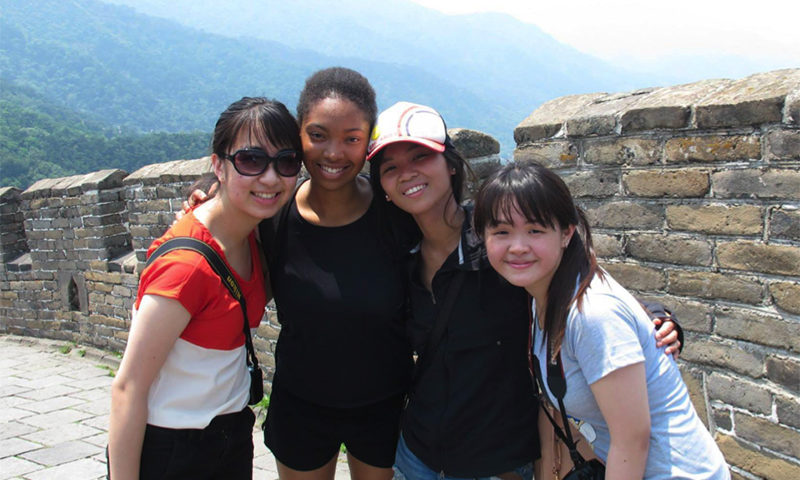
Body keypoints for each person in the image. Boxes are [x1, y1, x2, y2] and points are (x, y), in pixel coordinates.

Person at [367, 101, 683, 480]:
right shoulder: (399, 255)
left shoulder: (498, 242)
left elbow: (575, 285)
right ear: (382, 186)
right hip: (416, 453)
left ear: (450, 164)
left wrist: (656, 317)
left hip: (496, 463)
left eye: (421, 157)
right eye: (391, 168)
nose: (407, 174)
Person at [472, 162, 729, 479]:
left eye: (535, 230)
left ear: (566, 232)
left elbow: (632, 439)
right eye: (501, 232)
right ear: (483, 238)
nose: (518, 247)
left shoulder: (591, 313)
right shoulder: (540, 295)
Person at [108, 96, 303, 480]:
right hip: (177, 450)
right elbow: (127, 389)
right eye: (250, 160)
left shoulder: (251, 232)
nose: (270, 178)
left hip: (229, 435)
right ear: (218, 165)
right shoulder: (185, 268)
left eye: (286, 162)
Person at [258, 67, 413, 480]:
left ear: (369, 141)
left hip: (385, 405)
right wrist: (205, 189)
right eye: (319, 135)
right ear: (298, 134)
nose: (333, 153)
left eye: (352, 139)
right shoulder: (272, 216)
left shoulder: (397, 215)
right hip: (301, 404)